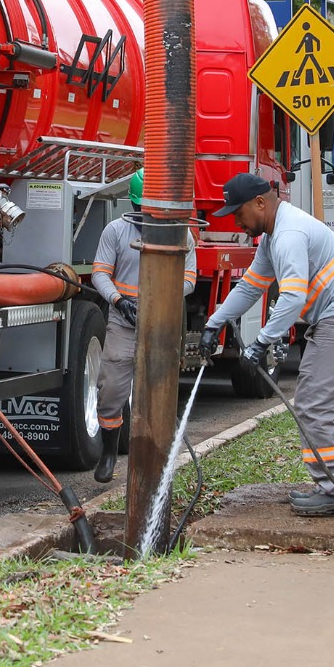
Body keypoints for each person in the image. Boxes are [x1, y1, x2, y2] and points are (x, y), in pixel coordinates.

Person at [198, 173, 334, 516]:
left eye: (238, 213)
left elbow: (291, 297)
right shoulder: (275, 236)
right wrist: (214, 323)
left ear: (260, 203)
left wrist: (262, 341)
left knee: (312, 404)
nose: (236, 221)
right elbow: (250, 288)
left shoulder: (287, 234)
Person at [88, 170, 198, 483]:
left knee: (158, 388)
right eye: (140, 209)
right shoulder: (116, 231)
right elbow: (100, 273)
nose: (144, 215)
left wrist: (162, 299)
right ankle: (109, 453)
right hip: (123, 322)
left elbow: (189, 278)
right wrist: (119, 301)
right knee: (111, 388)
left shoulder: (181, 234)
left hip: (161, 323)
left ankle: (156, 454)